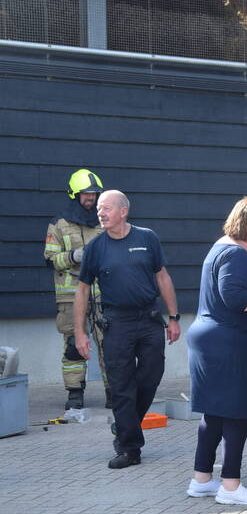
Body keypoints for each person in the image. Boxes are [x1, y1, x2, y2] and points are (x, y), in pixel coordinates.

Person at [73, 190, 181, 469]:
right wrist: (80, 332)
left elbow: (163, 277)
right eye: (99, 209)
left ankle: (126, 423)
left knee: (151, 374)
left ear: (123, 211)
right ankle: (129, 449)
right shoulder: (96, 247)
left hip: (149, 318)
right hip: (116, 322)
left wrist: (174, 317)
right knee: (121, 386)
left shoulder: (147, 238)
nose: (101, 213)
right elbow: (82, 290)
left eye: (106, 208)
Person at [186, 197, 247, 506]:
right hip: (231, 344)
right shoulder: (236, 255)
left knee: (214, 414)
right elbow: (235, 298)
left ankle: (202, 480)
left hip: (210, 340)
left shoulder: (219, 249)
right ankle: (231, 486)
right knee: (238, 414)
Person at [44, 168, 109, 410]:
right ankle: (74, 393)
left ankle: (113, 391)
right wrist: (74, 256)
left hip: (103, 294)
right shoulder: (59, 224)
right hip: (70, 296)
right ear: (74, 194)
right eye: (86, 194)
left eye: (94, 194)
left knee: (109, 343)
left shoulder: (105, 221)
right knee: (74, 345)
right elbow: (50, 259)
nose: (91, 198)